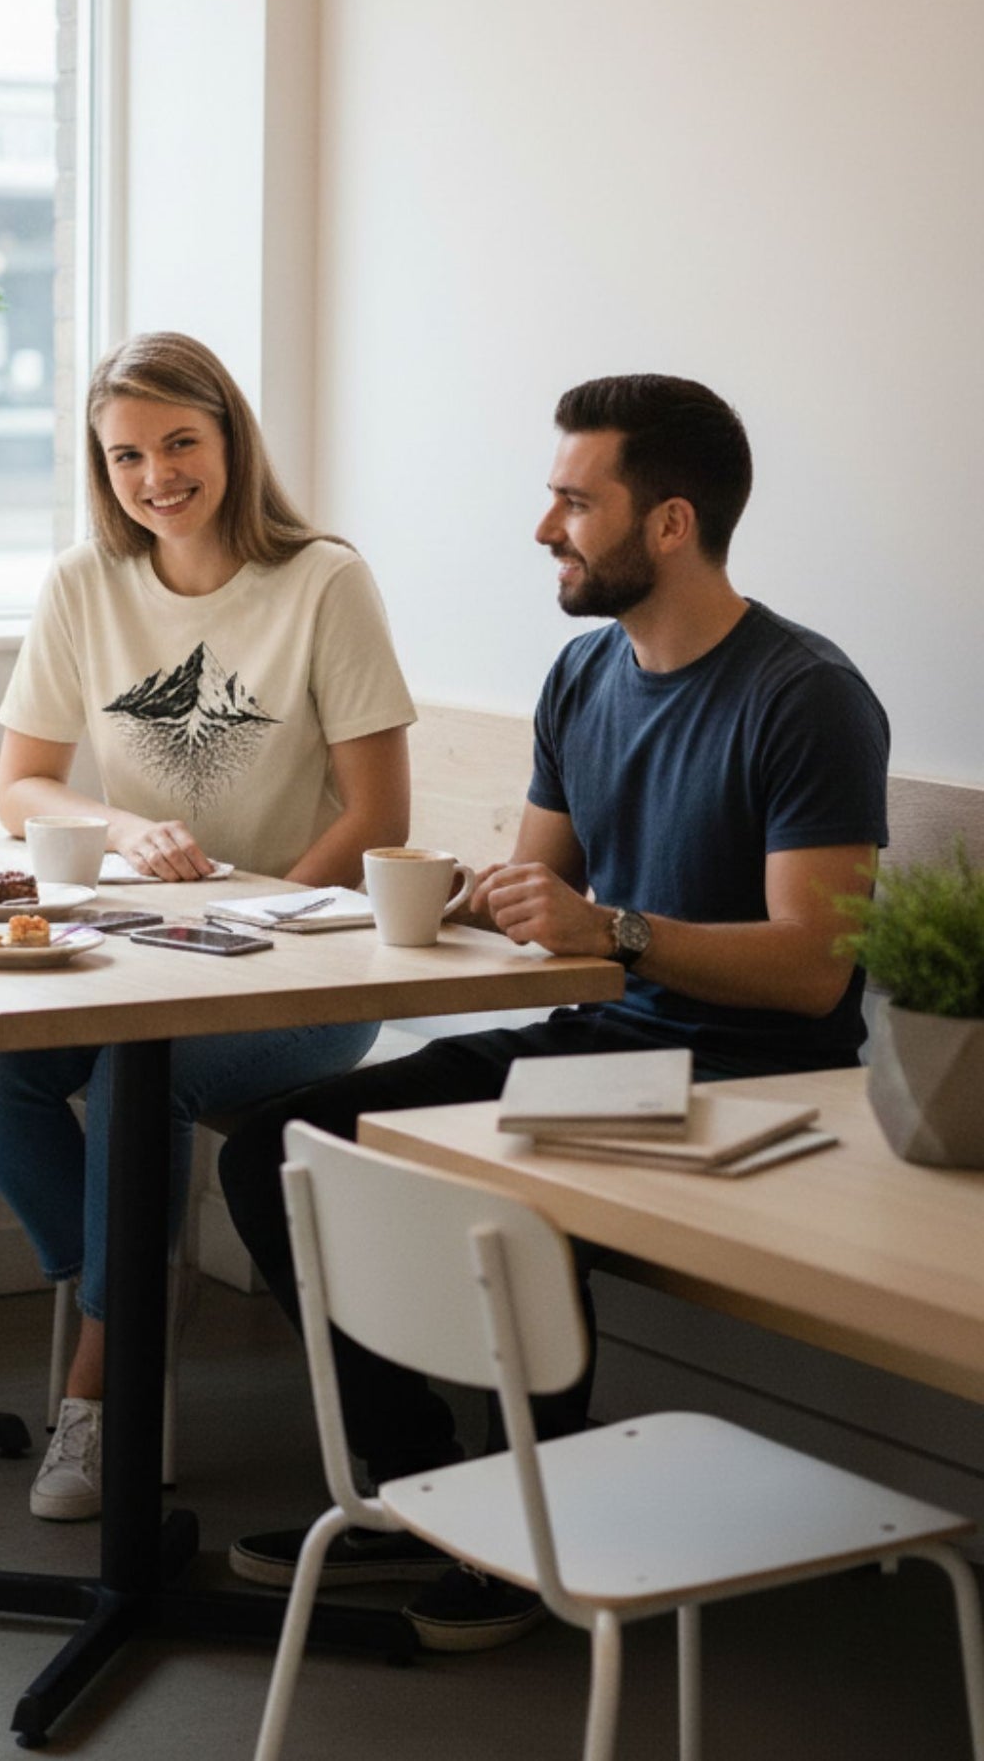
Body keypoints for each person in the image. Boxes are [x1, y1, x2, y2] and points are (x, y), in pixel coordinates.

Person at [218, 373, 889, 1652]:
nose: (544, 528)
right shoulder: (584, 674)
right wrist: (481, 899)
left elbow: (813, 973)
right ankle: (427, 1485)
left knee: (502, 1190)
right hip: (602, 1043)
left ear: (670, 523)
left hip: (752, 1077)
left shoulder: (802, 694)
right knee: (278, 1152)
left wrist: (614, 934)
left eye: (574, 501)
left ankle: (537, 1523)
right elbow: (551, 889)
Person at [0, 331, 418, 1521]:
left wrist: (258, 922)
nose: (154, 475)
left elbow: (377, 815)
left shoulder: (322, 580)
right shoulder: (81, 584)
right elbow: (18, 786)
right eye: (124, 455)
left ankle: (99, 1395)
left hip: (309, 971)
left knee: (128, 1085)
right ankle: (131, 1289)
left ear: (228, 440)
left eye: (178, 443)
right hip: (137, 949)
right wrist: (114, 826)